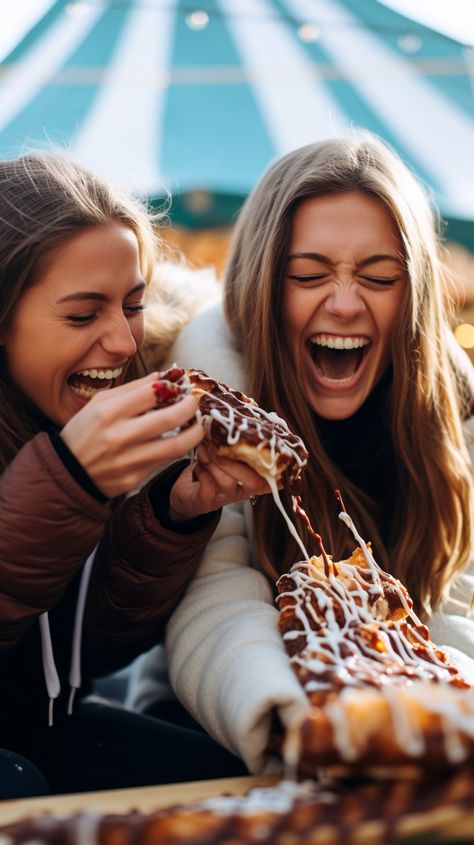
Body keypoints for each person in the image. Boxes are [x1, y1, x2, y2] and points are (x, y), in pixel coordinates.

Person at [128, 132, 474, 774]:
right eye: (309, 276)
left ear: (416, 292)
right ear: (263, 282)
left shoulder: (449, 400)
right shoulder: (207, 385)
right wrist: (294, 721)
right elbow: (217, 589)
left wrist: (440, 708)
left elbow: (449, 604)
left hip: (400, 722)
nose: (344, 304)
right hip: (231, 724)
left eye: (379, 277)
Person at [0, 152, 268, 797]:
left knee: (239, 787)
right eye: (83, 314)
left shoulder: (104, 416)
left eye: (133, 304)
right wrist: (66, 480)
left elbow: (84, 658)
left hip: (39, 721)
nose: (122, 343)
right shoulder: (72, 450)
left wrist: (172, 517)